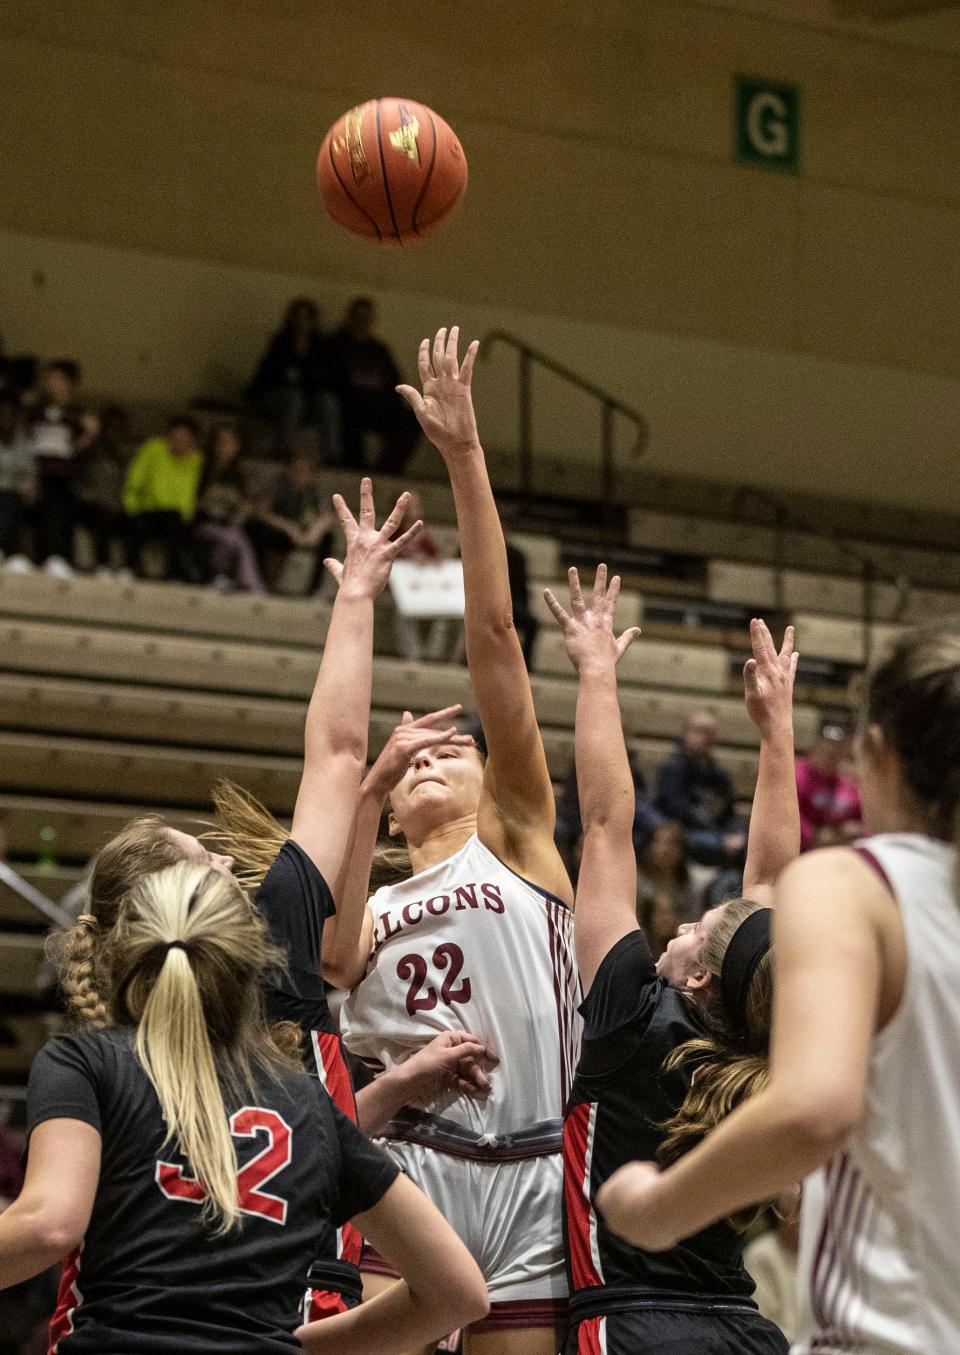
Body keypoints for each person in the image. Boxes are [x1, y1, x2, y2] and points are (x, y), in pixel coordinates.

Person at [56, 479, 492, 1331]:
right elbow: (333, 751)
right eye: (206, 858)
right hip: (285, 1298)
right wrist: (357, 592)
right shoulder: (274, 936)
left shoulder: (96, 1061)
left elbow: (257, 1139)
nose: (226, 854)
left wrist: (397, 1082)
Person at [596, 624, 960, 1355]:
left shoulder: (857, 882)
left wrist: (659, 1207)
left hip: (884, 1329)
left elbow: (816, 1106)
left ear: (875, 753)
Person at [330, 329, 578, 1355]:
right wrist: (357, 796)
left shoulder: (518, 839)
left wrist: (465, 458)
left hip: (527, 1169)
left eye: (455, 746)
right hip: (404, 1165)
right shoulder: (368, 899)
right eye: (410, 757)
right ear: (386, 810)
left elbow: (496, 643)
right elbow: (329, 965)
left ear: (494, 778)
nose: (433, 751)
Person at [3, 858, 488, 1353]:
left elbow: (50, 1225)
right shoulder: (306, 1103)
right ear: (252, 965)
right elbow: (457, 1293)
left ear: (119, 955)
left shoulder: (87, 1063)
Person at [544, 574, 798, 1355]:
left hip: (634, 1322)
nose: (682, 922)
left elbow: (606, 824)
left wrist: (595, 672)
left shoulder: (630, 1012)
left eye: (695, 928)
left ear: (697, 979)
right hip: (747, 1329)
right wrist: (776, 730)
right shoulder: (768, 1051)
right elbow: (768, 897)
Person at [22, 359, 97, 576]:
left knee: (57, 499)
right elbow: (26, 441)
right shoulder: (36, 410)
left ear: (70, 383)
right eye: (49, 379)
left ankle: (57, 557)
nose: (53, 384)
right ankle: (36, 557)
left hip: (64, 476)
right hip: (36, 472)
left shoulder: (79, 413)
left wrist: (88, 435)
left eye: (58, 379)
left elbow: (81, 451)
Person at [328, 298, 420, 474]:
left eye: (366, 316)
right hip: (348, 404)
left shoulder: (379, 349)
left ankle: (387, 470)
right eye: (358, 315)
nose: (362, 321)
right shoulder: (335, 344)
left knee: (412, 419)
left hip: (377, 406)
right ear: (350, 317)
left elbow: (396, 383)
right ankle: (353, 467)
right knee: (349, 415)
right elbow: (330, 380)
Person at [246, 298, 340, 460]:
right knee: (293, 398)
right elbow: (267, 378)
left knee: (328, 400)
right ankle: (284, 450)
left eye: (307, 317)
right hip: (275, 398)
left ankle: (332, 454)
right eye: (298, 316)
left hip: (308, 400)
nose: (302, 322)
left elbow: (324, 380)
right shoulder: (280, 343)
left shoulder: (321, 348)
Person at [655, 710, 747, 867]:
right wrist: (720, 839)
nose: (705, 738)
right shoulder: (672, 770)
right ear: (685, 733)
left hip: (715, 839)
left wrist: (736, 835)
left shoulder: (721, 776)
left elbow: (729, 815)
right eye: (699, 731)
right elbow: (681, 814)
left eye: (710, 733)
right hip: (683, 836)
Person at [123, 416, 208, 582]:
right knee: (163, 521)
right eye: (175, 438)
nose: (177, 443)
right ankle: (131, 568)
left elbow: (189, 495)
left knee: (187, 530)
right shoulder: (153, 448)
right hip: (145, 511)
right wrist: (131, 507)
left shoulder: (195, 461)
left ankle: (192, 576)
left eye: (184, 440)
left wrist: (187, 517)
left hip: (175, 518)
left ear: (191, 442)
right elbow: (135, 480)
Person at [246, 455, 335, 594]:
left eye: (305, 472)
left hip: (303, 534)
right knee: (258, 531)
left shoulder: (316, 490)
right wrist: (289, 528)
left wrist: (314, 532)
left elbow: (327, 515)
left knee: (328, 539)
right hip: (281, 531)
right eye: (296, 470)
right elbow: (262, 511)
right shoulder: (279, 485)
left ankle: (313, 590)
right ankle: (260, 583)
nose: (299, 475)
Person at [193, 422, 265, 592]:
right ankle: (252, 586)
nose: (226, 447)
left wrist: (233, 508)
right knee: (235, 540)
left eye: (230, 443)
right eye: (222, 442)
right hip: (204, 523)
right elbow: (197, 501)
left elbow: (246, 504)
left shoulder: (240, 474)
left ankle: (222, 579)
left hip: (230, 523)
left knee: (236, 538)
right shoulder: (202, 469)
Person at [72, 404, 132, 575]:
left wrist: (120, 503)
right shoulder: (91, 450)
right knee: (101, 515)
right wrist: (88, 436)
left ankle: (127, 568)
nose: (114, 432)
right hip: (87, 503)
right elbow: (75, 468)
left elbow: (127, 488)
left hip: (115, 507)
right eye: (110, 426)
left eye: (119, 427)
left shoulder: (123, 457)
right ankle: (103, 564)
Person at [795, 718, 862, 851]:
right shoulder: (796, 777)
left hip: (839, 856)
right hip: (801, 856)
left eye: (836, 749)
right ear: (814, 746)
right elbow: (790, 825)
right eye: (826, 747)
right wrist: (816, 836)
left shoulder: (848, 781)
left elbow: (861, 824)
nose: (831, 751)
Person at [742, 1194, 800, 1345]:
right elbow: (760, 1324)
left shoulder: (827, 1256)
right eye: (797, 1217)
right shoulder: (760, 1255)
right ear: (781, 1216)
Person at [635, 821, 698, 957]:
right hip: (642, 945)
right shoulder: (638, 881)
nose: (662, 849)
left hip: (679, 947)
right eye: (657, 842)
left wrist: (674, 926)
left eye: (669, 844)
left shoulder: (690, 885)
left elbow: (695, 924)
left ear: (681, 850)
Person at [0, 395, 36, 569]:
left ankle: (11, 553)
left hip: (12, 494)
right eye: (3, 413)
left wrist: (28, 488)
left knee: (11, 501)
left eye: (11, 414)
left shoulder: (24, 441)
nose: (6, 418)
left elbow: (28, 472)